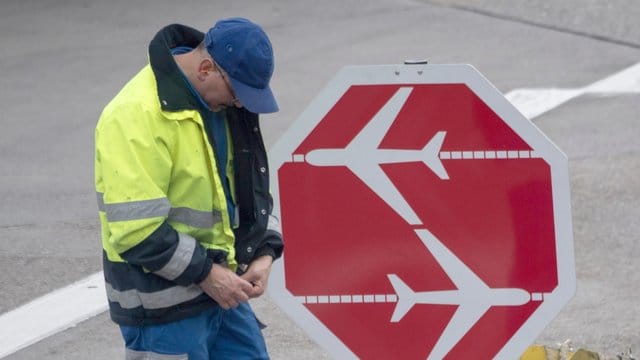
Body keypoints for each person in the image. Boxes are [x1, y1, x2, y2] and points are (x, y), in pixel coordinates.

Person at [94, 17, 284, 359]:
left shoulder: (224, 102)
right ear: (207, 68)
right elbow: (137, 231)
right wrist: (208, 275)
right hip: (163, 309)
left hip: (220, 292)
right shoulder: (133, 116)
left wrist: (264, 250)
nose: (241, 104)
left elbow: (247, 190)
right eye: (237, 93)